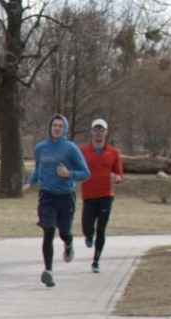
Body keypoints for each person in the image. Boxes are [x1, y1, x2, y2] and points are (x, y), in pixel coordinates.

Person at [24, 114, 90, 288]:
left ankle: (68, 243)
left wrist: (69, 174)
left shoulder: (71, 149)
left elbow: (85, 173)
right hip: (47, 196)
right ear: (50, 127)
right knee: (48, 231)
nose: (57, 128)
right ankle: (48, 271)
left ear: (64, 129)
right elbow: (38, 169)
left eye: (61, 126)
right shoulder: (41, 148)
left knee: (64, 232)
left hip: (66, 196)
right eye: (55, 125)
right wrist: (29, 183)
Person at [79, 118, 123, 273]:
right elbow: (77, 169)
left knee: (101, 230)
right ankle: (88, 235)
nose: (98, 133)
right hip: (89, 196)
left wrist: (116, 178)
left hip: (106, 196)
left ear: (106, 132)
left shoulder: (113, 152)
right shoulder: (83, 151)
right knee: (87, 227)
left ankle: (96, 261)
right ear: (91, 132)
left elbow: (119, 173)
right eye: (96, 129)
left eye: (101, 130)